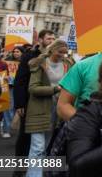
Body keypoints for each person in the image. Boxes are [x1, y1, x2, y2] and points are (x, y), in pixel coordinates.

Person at [25, 40, 73, 177]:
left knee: (45, 147)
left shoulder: (68, 64)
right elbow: (33, 88)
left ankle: (35, 173)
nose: (62, 55)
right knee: (38, 148)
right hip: (39, 109)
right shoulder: (39, 63)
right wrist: (55, 89)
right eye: (60, 52)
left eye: (65, 53)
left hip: (57, 111)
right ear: (52, 50)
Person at [13, 30, 55, 163]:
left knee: (46, 137)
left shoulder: (55, 57)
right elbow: (20, 80)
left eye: (54, 39)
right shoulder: (29, 55)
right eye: (49, 39)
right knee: (25, 136)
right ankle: (20, 166)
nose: (52, 41)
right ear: (40, 40)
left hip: (50, 102)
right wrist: (20, 104)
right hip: (30, 101)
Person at [1, 45, 25, 138]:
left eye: (18, 51)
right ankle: (6, 129)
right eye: (14, 51)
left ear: (22, 53)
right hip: (10, 87)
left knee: (17, 108)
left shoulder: (25, 63)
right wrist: (5, 76)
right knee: (8, 108)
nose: (15, 53)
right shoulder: (7, 61)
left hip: (20, 88)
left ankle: (13, 125)